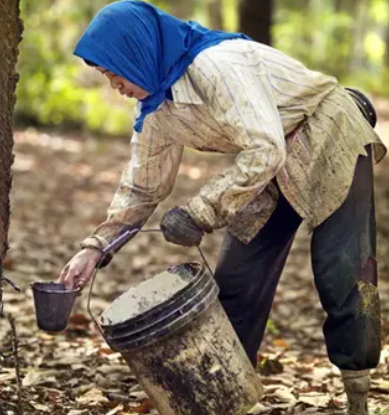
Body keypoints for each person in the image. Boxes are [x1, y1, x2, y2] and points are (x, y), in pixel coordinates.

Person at [57, 2, 386, 414]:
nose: (114, 86)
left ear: (136, 52)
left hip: (325, 135)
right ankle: (227, 398)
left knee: (345, 276)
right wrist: (95, 248)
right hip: (266, 163)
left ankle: (358, 399)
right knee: (235, 282)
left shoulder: (216, 64)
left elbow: (265, 148)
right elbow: (142, 187)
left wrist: (200, 211)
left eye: (113, 72)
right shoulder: (157, 106)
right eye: (105, 77)